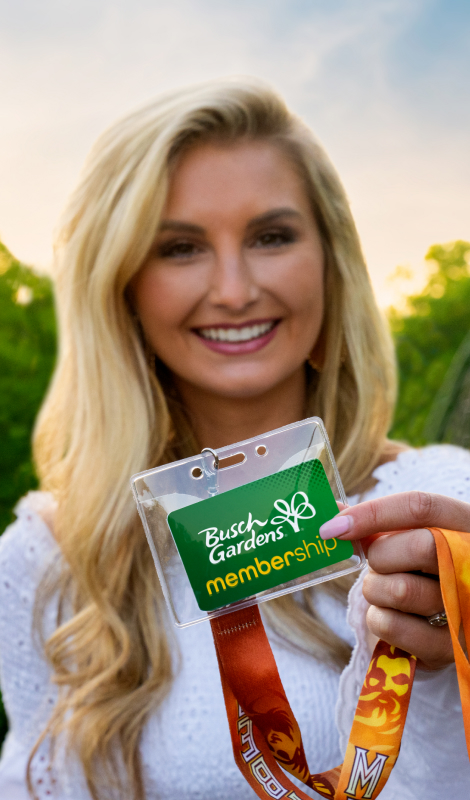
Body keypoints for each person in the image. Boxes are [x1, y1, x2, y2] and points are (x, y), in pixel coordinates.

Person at [0, 78, 469, 800]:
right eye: (181, 247)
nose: (234, 289)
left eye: (270, 237)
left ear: (330, 261)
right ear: (122, 285)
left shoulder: (444, 503)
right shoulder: (50, 560)